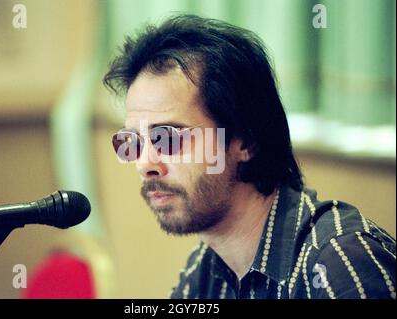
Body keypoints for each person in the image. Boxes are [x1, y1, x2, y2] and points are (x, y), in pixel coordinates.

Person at [103, 14, 396, 299]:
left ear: (246, 140)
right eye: (133, 142)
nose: (144, 164)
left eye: (167, 138)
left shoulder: (339, 262)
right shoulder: (206, 269)